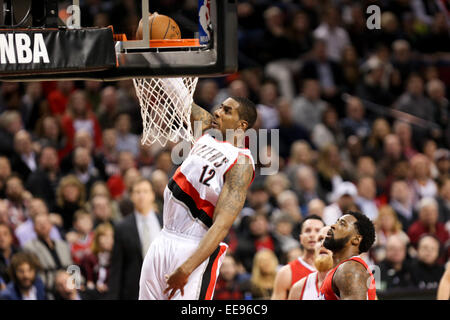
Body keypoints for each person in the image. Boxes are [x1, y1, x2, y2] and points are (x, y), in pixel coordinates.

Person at [139, 96, 257, 300]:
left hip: (194, 247)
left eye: (227, 111)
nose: (218, 112)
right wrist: (162, 69)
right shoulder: (206, 133)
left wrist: (187, 267)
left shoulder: (241, 163)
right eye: (220, 107)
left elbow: (221, 226)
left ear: (241, 125)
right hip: (163, 238)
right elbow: (180, 97)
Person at [108, 178, 161, 300]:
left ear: (152, 195)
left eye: (145, 191)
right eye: (137, 192)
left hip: (162, 287)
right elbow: (117, 267)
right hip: (134, 291)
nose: (141, 196)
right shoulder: (122, 227)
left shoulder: (165, 222)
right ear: (131, 196)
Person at [319, 211, 377, 300]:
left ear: (356, 239)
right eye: (336, 222)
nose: (333, 226)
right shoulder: (343, 269)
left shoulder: (351, 269)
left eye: (342, 224)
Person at [271, 215, 324, 300]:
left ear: (325, 237)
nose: (312, 235)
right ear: (301, 238)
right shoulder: (286, 272)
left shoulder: (335, 270)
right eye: (308, 230)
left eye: (317, 231)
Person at [22, 212, 73, 292]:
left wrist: (79, 282)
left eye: (45, 222)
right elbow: (36, 272)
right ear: (34, 228)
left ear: (51, 225)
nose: (43, 226)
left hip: (69, 284)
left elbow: (71, 266)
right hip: (49, 287)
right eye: (39, 223)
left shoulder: (63, 245)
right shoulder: (29, 247)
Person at [288, 226, 333, 300]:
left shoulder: (349, 284)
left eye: (329, 239)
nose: (323, 244)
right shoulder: (298, 288)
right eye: (320, 239)